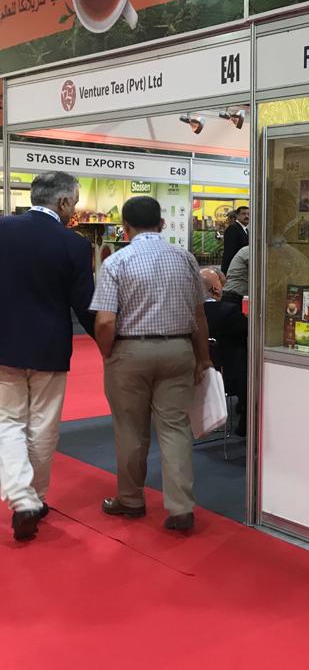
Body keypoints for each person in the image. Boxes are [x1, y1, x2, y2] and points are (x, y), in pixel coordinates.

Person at [91, 196, 213, 532]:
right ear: (162, 224)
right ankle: (181, 507)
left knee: (130, 429)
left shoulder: (116, 262)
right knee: (175, 428)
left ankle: (131, 499)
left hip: (130, 350)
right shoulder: (185, 259)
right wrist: (204, 357)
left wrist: (108, 353)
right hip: (179, 348)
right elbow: (200, 315)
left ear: (125, 228)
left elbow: (105, 321)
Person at [0, 172, 96, 541]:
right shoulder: (74, 244)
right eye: (75, 201)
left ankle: (22, 498)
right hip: (50, 346)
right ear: (64, 202)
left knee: (7, 423)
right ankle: (35, 499)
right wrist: (107, 344)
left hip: (4, 342)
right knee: (43, 426)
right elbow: (85, 305)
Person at [200, 268, 249, 437]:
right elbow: (248, 332)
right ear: (216, 289)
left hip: (197, 374)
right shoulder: (229, 312)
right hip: (229, 377)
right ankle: (246, 420)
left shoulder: (189, 312)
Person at [221, 205, 249, 273]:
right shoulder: (233, 228)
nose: (247, 216)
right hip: (234, 269)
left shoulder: (245, 229)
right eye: (243, 214)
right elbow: (230, 252)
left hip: (240, 267)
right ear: (237, 216)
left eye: (248, 214)